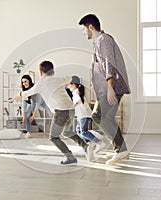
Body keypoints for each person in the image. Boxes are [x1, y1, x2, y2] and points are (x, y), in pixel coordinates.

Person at [78, 14, 131, 165]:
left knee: (98, 116)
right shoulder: (98, 42)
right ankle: (121, 150)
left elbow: (109, 63)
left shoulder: (104, 40)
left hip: (111, 86)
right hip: (107, 87)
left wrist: (110, 87)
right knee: (106, 118)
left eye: (84, 29)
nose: (83, 33)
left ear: (90, 27)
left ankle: (120, 150)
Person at [22, 60, 94, 165]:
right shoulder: (58, 79)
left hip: (61, 111)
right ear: (53, 72)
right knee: (67, 132)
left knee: (53, 137)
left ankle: (70, 157)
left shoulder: (41, 83)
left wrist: (17, 95)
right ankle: (85, 146)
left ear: (41, 73)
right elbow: (72, 77)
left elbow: (26, 93)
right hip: (71, 109)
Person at [68, 75, 106, 154]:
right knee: (78, 131)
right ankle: (89, 145)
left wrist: (71, 107)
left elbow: (77, 101)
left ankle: (99, 143)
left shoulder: (76, 92)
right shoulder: (78, 91)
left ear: (74, 84)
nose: (69, 86)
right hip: (83, 116)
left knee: (83, 132)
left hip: (83, 115)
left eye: (70, 84)